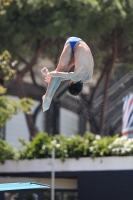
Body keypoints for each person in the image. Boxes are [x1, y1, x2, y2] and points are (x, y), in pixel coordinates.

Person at [41, 36, 94, 112]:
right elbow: (58, 74)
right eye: (69, 82)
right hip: (72, 43)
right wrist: (48, 73)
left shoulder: (87, 78)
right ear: (73, 82)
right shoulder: (75, 76)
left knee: (64, 70)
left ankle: (49, 96)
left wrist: (57, 78)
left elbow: (69, 74)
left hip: (81, 45)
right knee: (61, 69)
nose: (69, 80)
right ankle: (47, 96)